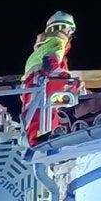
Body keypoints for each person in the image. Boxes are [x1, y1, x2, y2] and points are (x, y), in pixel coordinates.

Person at [20, 11, 83, 145]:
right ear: (66, 29)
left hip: (36, 96)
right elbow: (51, 68)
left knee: (36, 131)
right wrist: (73, 84)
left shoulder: (39, 50)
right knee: (43, 133)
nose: (70, 36)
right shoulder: (57, 42)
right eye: (70, 31)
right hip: (44, 98)